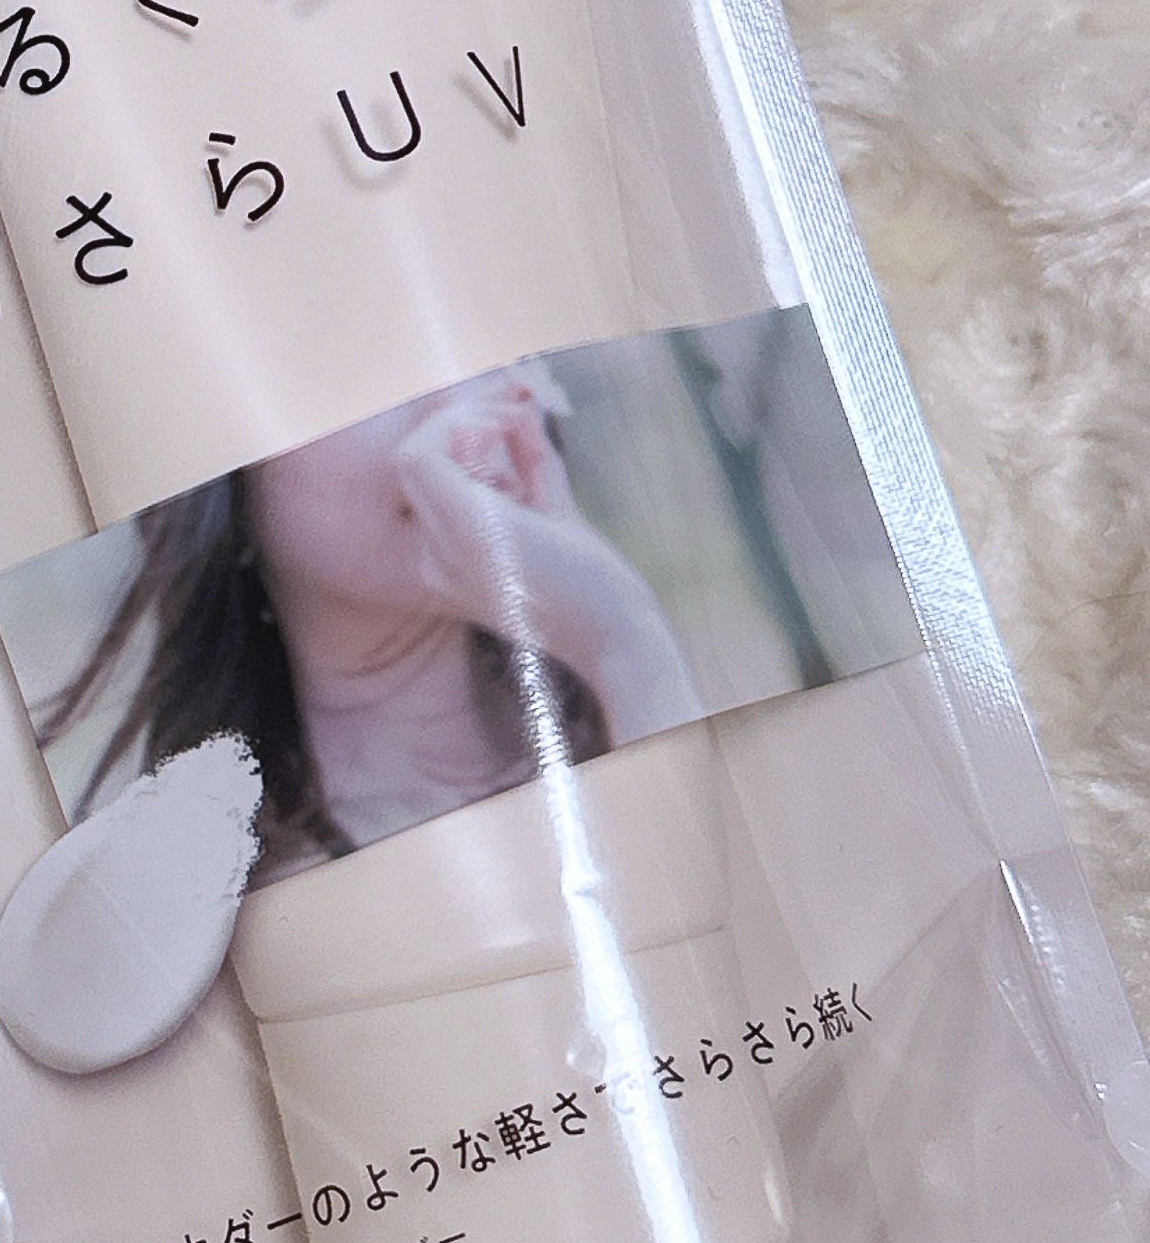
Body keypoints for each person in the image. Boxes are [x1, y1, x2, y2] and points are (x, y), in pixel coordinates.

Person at [42, 364, 703, 881]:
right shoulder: (216, 902)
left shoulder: (635, 699)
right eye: (362, 370)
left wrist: (624, 644)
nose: (462, 411)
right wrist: (623, 645)